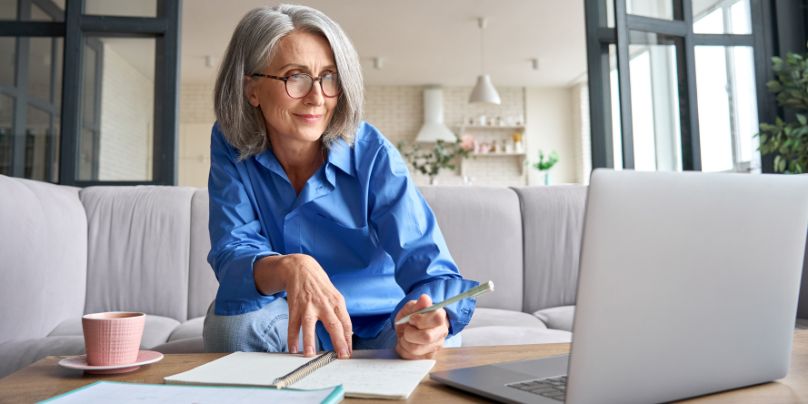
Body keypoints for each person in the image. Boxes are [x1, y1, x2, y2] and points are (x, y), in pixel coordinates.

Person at [203, 4, 478, 361]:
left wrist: (432, 318)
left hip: (382, 324)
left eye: (329, 77)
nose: (317, 97)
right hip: (290, 321)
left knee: (439, 344)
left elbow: (428, 265)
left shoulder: (372, 151)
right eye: (295, 77)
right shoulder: (230, 143)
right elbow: (233, 251)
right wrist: (290, 267)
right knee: (231, 328)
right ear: (251, 89)